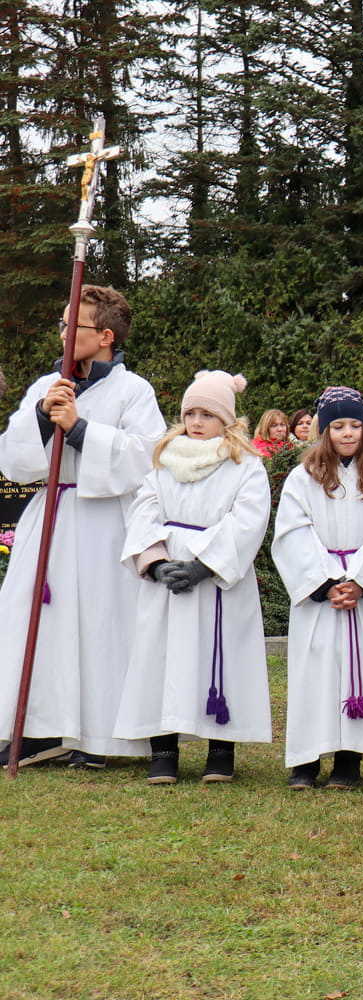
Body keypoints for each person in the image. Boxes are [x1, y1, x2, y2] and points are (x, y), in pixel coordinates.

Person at [0, 285, 166, 769]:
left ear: (106, 336)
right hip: (51, 516)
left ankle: (99, 735)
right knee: (35, 619)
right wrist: (40, 416)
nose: (63, 333)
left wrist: (80, 430)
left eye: (74, 325)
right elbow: (13, 460)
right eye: (62, 323)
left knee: (101, 623)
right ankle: (37, 728)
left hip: (103, 521)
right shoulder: (45, 385)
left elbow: (146, 457)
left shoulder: (134, 391)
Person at [114, 371, 273, 784]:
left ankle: (220, 748)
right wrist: (156, 561)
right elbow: (144, 511)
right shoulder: (163, 463)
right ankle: (163, 748)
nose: (197, 422)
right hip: (168, 579)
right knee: (160, 657)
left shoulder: (244, 465)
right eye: (191, 414)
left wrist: (204, 565)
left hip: (216, 579)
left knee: (220, 654)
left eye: (207, 414)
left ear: (227, 420)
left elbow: (248, 519)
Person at [272, 386, 363, 790]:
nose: (348, 433)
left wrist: (361, 582)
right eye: (338, 426)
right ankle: (306, 760)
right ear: (325, 431)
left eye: (355, 425)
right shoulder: (304, 478)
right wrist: (326, 581)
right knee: (317, 672)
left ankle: (349, 759)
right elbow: (292, 532)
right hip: (322, 593)